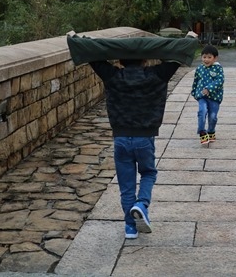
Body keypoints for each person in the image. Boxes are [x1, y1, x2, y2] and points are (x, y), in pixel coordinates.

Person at [66, 32, 198, 239]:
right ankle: (141, 204)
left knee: (126, 186)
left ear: (120, 60)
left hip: (120, 139)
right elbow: (175, 57)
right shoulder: (157, 74)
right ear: (145, 59)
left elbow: (94, 57)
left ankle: (130, 228)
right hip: (145, 139)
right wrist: (189, 38)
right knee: (148, 173)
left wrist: (75, 38)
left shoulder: (113, 75)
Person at [191, 44, 225, 145]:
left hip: (215, 97)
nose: (206, 60)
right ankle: (202, 131)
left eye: (209, 57)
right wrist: (194, 92)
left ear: (215, 58)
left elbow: (220, 81)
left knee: (213, 116)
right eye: (204, 57)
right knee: (202, 111)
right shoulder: (199, 68)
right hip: (202, 96)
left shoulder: (218, 68)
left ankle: (211, 131)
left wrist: (209, 88)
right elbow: (196, 81)